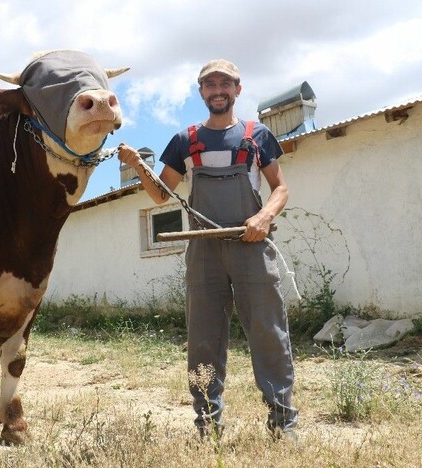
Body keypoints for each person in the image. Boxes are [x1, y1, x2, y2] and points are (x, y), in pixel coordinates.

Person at [118, 59, 298, 441]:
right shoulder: (186, 141)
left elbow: (280, 188)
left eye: (225, 83)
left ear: (237, 89)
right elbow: (161, 194)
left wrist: (263, 216)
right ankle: (208, 425)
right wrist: (137, 165)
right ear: (201, 92)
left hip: (252, 247)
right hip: (204, 254)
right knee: (202, 339)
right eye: (210, 84)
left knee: (269, 333)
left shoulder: (256, 135)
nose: (218, 90)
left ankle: (283, 423)